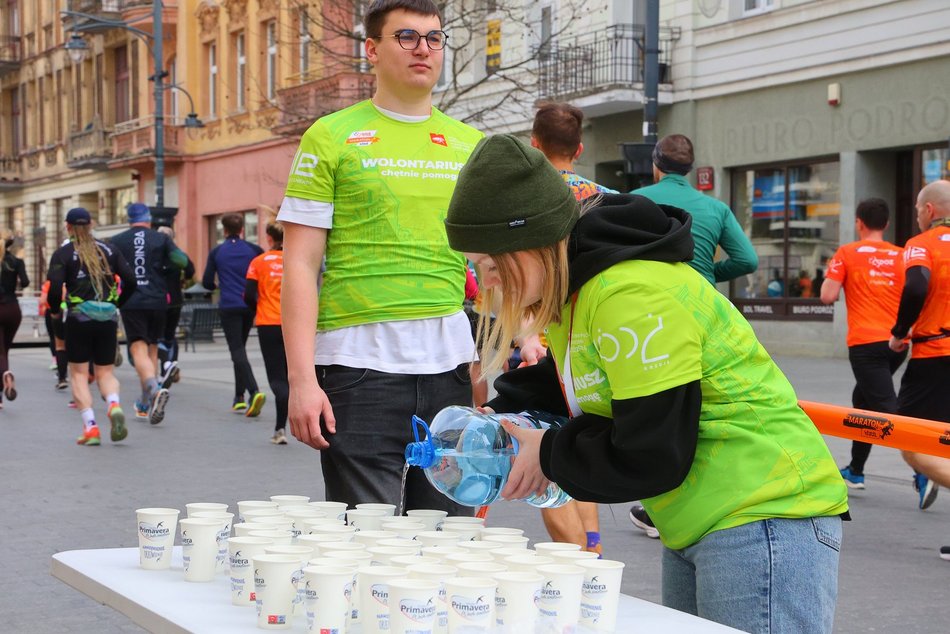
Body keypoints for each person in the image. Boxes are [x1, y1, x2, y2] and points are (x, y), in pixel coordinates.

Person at [446, 134, 848, 632]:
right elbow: (580, 379)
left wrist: (547, 453)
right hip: (700, 517)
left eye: (490, 264)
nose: (486, 282)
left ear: (532, 242)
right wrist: (504, 415)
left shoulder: (629, 292)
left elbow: (652, 449)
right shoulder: (581, 292)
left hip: (761, 513)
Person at [277, 0, 483, 512]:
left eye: (434, 38)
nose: (424, 49)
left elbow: (495, 260)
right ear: (371, 49)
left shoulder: (470, 145)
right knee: (368, 546)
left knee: (449, 542)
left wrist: (521, 335)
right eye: (407, 37)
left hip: (450, 369)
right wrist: (301, 382)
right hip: (356, 369)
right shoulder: (330, 137)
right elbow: (301, 264)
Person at [530, 101, 616, 555]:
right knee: (581, 443)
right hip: (592, 338)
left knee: (549, 458)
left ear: (534, 143)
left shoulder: (528, 195)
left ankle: (577, 557)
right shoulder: (603, 196)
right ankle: (593, 546)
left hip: (542, 341)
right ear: (579, 148)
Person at [820, 198, 906, 489]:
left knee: (887, 410)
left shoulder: (846, 253)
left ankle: (925, 468)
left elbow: (827, 296)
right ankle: (856, 470)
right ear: (886, 224)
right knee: (863, 403)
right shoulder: (901, 255)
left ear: (859, 222)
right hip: (896, 345)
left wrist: (833, 277)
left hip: (865, 345)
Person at [46, 208, 136, 446]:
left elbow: (55, 288)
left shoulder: (63, 254)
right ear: (92, 224)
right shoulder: (109, 250)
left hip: (79, 318)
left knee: (78, 373)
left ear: (67, 227)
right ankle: (114, 404)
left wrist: (55, 310)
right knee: (105, 372)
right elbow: (132, 280)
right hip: (107, 318)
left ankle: (91, 428)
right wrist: (117, 303)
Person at [889, 180, 950, 528]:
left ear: (929, 210)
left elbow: (916, 285)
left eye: (916, 211)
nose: (916, 217)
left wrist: (899, 334)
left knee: (909, 439)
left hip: (935, 357)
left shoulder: (920, 244)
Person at [633, 133, 758, 286]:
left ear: (656, 165)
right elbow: (748, 261)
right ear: (688, 169)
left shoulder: (635, 200)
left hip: (652, 298)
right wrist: (707, 272)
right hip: (702, 299)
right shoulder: (717, 209)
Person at [110, 203, 188, 425]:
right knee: (152, 349)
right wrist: (163, 265)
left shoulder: (117, 241)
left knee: (138, 349)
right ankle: (145, 402)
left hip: (132, 300)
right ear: (149, 220)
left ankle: (154, 390)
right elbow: (181, 261)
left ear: (129, 219)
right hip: (157, 300)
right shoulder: (160, 238)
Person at [202, 213, 265, 417]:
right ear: (242, 230)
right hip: (249, 305)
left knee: (237, 350)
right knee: (241, 350)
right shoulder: (254, 250)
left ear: (225, 230)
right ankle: (239, 397)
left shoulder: (217, 252)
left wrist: (217, 285)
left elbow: (206, 282)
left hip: (229, 305)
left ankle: (254, 391)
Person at [245, 220, 289, 445]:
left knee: (277, 378)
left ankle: (280, 429)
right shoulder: (294, 261)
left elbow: (248, 295)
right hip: (294, 324)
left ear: (269, 238)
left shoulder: (258, 262)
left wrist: (259, 309)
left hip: (268, 323)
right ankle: (283, 424)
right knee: (292, 373)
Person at [156, 225, 195, 388]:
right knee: (170, 335)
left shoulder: (155, 255)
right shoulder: (177, 255)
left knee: (158, 336)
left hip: (159, 300)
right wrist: (184, 279)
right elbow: (190, 269)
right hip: (176, 300)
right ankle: (171, 365)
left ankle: (166, 368)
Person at [0, 232, 28, 407]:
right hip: (13, 309)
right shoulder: (17, 262)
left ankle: (6, 376)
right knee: (5, 350)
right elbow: (25, 282)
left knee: (0, 352)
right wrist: (12, 283)